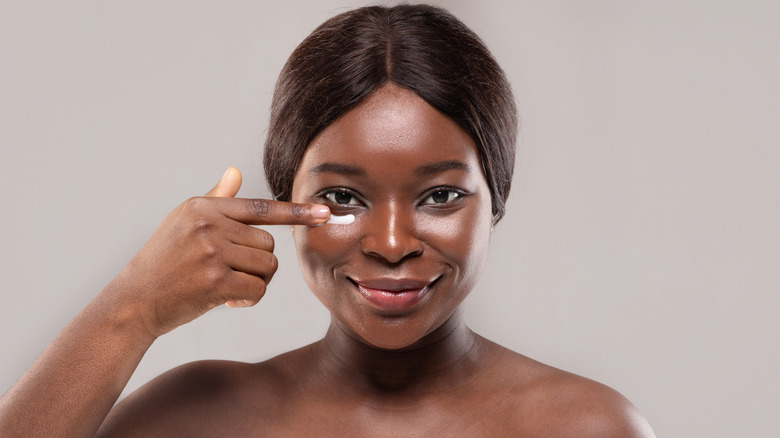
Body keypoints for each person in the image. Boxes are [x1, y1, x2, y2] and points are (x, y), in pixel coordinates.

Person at [0, 4, 655, 437]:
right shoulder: (197, 419)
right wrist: (132, 308)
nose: (392, 244)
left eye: (439, 197)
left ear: (497, 201)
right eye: (343, 198)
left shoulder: (585, 426)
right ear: (282, 199)